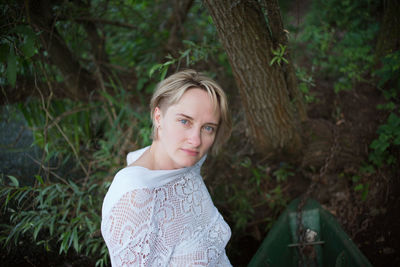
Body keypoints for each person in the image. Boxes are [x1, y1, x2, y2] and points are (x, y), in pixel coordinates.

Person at [101, 69, 233, 266]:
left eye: (208, 128)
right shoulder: (134, 200)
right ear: (158, 117)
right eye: (184, 121)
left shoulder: (186, 160)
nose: (196, 141)